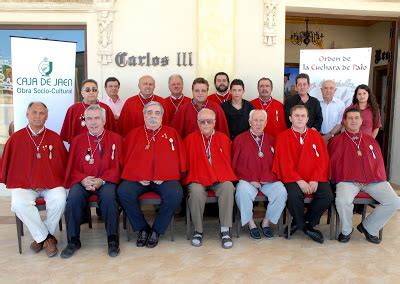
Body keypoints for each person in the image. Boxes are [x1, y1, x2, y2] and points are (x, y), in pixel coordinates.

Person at [0, 102, 67, 257]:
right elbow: (11, 166)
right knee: (18, 203)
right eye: (34, 112)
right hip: (25, 186)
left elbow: (61, 165)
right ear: (27, 115)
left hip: (50, 185)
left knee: (60, 198)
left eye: (41, 113)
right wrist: (31, 183)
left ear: (47, 116)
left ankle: (40, 237)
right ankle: (47, 238)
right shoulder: (15, 138)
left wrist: (45, 181)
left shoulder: (54, 138)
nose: (38, 116)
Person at [117, 101, 185, 248]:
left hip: (165, 179)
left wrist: (166, 174)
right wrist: (138, 175)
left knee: (175, 193)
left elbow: (180, 158)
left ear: (162, 116)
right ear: (144, 115)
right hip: (139, 179)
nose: (153, 116)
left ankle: (156, 230)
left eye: (157, 113)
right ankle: (142, 228)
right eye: (149, 113)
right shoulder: (134, 134)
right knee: (123, 191)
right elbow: (125, 158)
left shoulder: (171, 133)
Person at [329, 107, 400, 244]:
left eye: (356, 118)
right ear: (344, 121)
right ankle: (346, 230)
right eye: (350, 118)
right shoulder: (336, 141)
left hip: (372, 180)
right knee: (342, 201)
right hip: (348, 180)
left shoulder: (371, 140)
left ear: (361, 121)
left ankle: (369, 227)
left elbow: (378, 162)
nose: (353, 121)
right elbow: (332, 165)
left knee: (395, 201)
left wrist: (379, 178)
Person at [61, 104, 122, 258]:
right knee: (73, 198)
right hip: (83, 180)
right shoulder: (77, 140)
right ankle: (73, 240)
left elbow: (120, 165)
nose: (93, 122)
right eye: (89, 119)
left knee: (109, 198)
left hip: (106, 180)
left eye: (97, 118)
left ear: (104, 121)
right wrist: (82, 179)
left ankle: (112, 239)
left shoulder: (116, 138)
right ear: (85, 121)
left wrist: (102, 180)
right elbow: (71, 167)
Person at [273, 105, 333, 244]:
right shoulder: (282, 137)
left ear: (307, 119)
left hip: (314, 177)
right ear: (290, 118)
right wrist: (299, 181)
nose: (300, 118)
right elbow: (284, 163)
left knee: (327, 195)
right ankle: (306, 227)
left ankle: (304, 223)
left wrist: (315, 179)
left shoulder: (316, 136)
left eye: (302, 116)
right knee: (293, 195)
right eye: (296, 116)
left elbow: (322, 160)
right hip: (293, 178)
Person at [184, 108, 236, 249]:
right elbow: (186, 164)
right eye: (202, 122)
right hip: (198, 177)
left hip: (219, 177)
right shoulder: (190, 139)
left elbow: (228, 161)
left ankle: (225, 230)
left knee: (228, 187)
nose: (205, 124)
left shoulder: (223, 138)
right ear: (197, 123)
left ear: (214, 122)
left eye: (209, 121)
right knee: (195, 191)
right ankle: (198, 231)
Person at [232, 110, 287, 239]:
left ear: (266, 122)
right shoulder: (240, 139)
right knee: (242, 192)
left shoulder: (272, 139)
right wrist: (250, 179)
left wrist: (268, 178)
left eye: (261, 120)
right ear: (249, 122)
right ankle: (251, 224)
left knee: (281, 192)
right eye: (255, 120)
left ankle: (265, 222)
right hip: (247, 180)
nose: (258, 123)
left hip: (268, 180)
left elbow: (276, 163)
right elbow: (234, 165)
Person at [60, 79, 117, 144]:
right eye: (87, 90)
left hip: (102, 145)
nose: (91, 92)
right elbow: (67, 133)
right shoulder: (73, 109)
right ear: (82, 93)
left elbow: (112, 133)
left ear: (98, 92)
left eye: (94, 90)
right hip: (79, 146)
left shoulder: (105, 108)